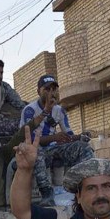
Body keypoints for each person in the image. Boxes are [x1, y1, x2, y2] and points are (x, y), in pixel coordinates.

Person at [19, 75, 94, 206]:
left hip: (53, 148)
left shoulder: (59, 110)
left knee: (83, 148)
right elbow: (29, 140)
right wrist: (54, 138)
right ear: (38, 91)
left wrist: (79, 137)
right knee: (37, 154)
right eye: (47, 89)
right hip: (35, 149)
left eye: (54, 89)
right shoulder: (30, 110)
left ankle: (86, 186)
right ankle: (47, 193)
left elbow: (68, 133)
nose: (51, 92)